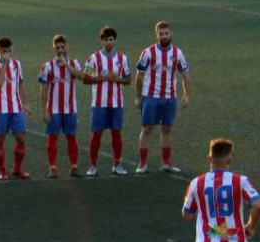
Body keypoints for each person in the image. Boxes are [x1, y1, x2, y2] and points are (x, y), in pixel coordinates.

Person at [136, 20, 192, 174]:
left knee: (167, 129)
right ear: (157, 35)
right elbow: (139, 75)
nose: (164, 36)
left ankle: (166, 163)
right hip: (151, 97)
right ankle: (142, 163)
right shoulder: (148, 52)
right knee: (147, 129)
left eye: (166, 33)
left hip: (169, 97)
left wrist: (186, 95)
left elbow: (185, 75)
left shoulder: (177, 53)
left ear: (171, 34)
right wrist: (138, 97)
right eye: (161, 34)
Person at [83, 26, 131, 177]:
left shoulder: (122, 59)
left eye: (111, 40)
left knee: (116, 133)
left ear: (115, 40)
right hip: (99, 103)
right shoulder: (93, 58)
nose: (108, 43)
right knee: (97, 133)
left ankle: (117, 165)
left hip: (117, 103)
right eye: (105, 40)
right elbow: (84, 78)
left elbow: (128, 79)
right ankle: (92, 166)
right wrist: (102, 78)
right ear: (101, 41)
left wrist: (118, 79)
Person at [39, 35, 84, 179]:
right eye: (57, 48)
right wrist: (45, 109)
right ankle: (53, 167)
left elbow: (81, 76)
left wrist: (66, 65)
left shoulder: (74, 63)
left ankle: (74, 166)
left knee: (71, 137)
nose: (60, 50)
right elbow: (44, 89)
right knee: (52, 138)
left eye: (62, 47)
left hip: (70, 109)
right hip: (54, 110)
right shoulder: (47, 67)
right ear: (53, 48)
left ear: (67, 47)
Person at [0, 37, 30, 181]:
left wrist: (26, 103)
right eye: (4, 51)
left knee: (21, 139)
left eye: (9, 51)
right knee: (0, 141)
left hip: (16, 108)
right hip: (0, 110)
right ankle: (2, 171)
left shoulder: (17, 64)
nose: (7, 54)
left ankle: (17, 168)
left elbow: (21, 84)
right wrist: (4, 64)